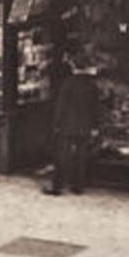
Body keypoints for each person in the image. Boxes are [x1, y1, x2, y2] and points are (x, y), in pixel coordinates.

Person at [43, 52, 98, 196]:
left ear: (74, 67)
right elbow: (95, 108)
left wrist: (56, 124)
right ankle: (78, 187)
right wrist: (95, 127)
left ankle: (57, 186)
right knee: (81, 157)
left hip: (67, 125)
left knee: (62, 156)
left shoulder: (67, 84)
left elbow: (60, 106)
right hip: (85, 126)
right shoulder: (92, 86)